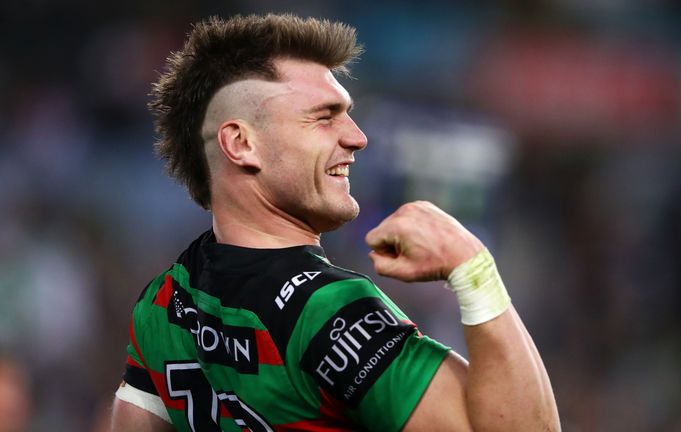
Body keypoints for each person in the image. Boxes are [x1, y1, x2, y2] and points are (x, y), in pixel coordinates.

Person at [110, 13, 560, 432]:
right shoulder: (328, 310)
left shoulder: (164, 301)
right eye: (324, 118)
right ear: (241, 143)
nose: (357, 137)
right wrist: (473, 267)